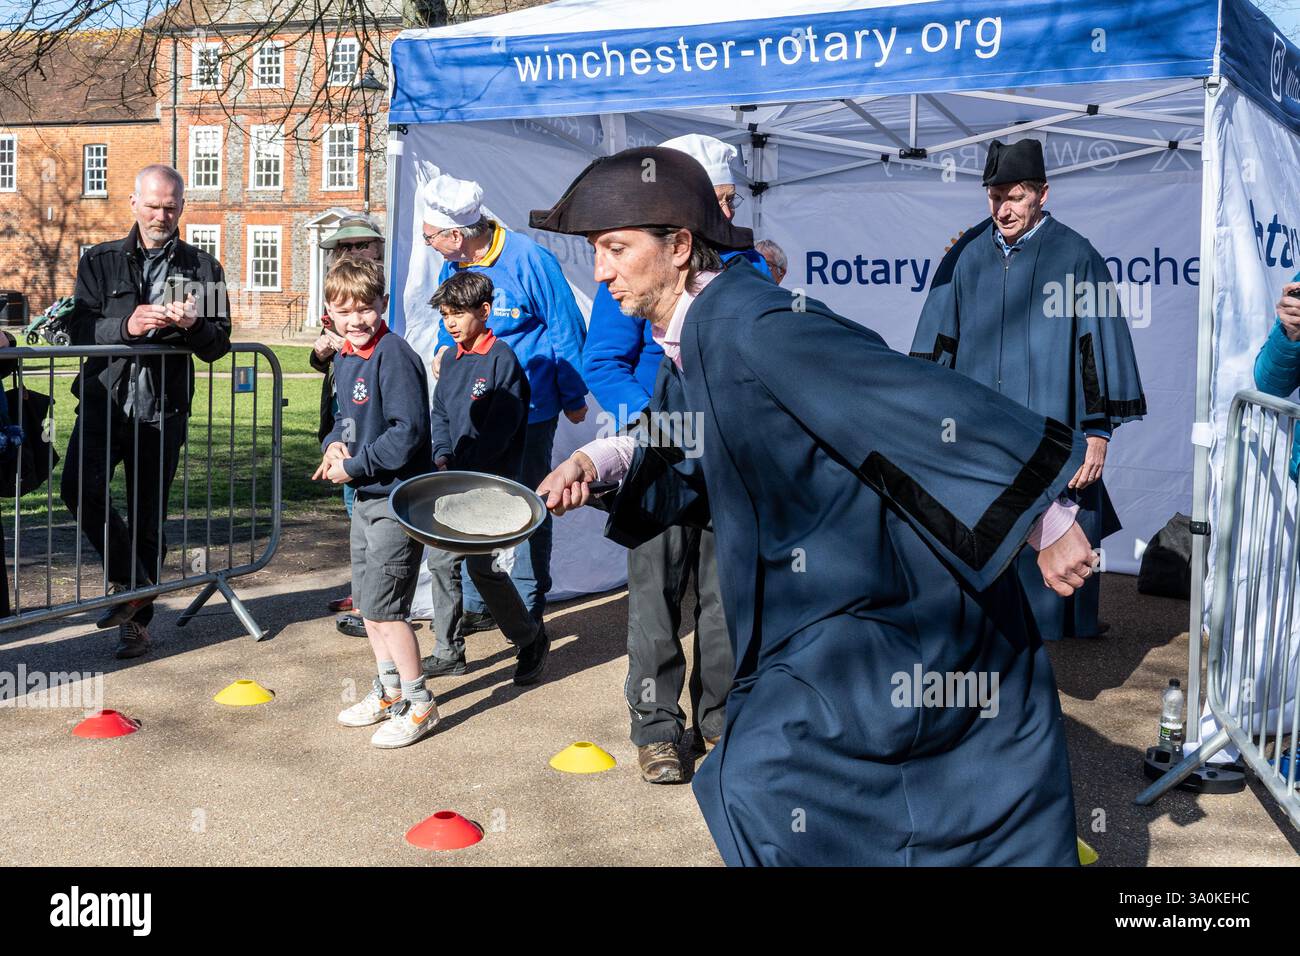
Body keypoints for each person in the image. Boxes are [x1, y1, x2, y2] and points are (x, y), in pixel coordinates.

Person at [534, 146, 1097, 865]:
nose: (602, 272)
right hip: (821, 598)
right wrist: (600, 459)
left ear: (679, 247)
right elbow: (681, 431)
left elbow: (904, 396)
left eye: (616, 249)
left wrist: (1048, 520)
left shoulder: (753, 322)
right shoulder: (698, 333)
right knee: (779, 784)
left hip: (885, 599)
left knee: (758, 778)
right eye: (595, 252)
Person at [580, 132, 768, 783]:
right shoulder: (644, 270)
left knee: (723, 596)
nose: (722, 211)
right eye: (711, 199)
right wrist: (657, 432)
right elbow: (602, 359)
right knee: (656, 595)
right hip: (657, 455)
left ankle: (719, 719)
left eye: (728, 198)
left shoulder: (752, 271)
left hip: (729, 462)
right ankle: (658, 728)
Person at [911, 138, 1145, 641]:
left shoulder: (1076, 256)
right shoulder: (964, 256)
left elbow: (1095, 348)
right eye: (994, 197)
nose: (1003, 208)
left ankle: (1062, 629)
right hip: (979, 430)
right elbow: (937, 342)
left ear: (1042, 193)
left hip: (1051, 424)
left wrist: (1098, 433)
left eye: (1014, 196)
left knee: (1059, 528)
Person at [63, 164, 231, 659]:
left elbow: (219, 344)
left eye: (171, 206)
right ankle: (133, 582)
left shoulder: (204, 268)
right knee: (78, 488)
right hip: (104, 400)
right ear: (133, 202)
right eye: (154, 205)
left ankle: (135, 623)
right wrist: (128, 326)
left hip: (163, 409)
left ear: (182, 207)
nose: (162, 214)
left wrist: (197, 325)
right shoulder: (99, 260)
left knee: (147, 516)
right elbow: (78, 329)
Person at [423, 173, 588, 634]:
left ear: (457, 235)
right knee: (477, 501)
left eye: (431, 236)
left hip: (530, 407)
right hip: (473, 410)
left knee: (530, 501)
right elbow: (446, 312)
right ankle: (481, 603)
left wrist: (573, 394)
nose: (428, 243)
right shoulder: (453, 263)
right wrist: (443, 347)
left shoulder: (529, 258)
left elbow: (565, 325)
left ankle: (529, 600)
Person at [318, 256, 437, 748]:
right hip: (364, 498)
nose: (357, 319)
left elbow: (407, 434)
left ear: (383, 305)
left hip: (396, 499)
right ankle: (389, 692)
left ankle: (420, 701)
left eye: (366, 308)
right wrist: (333, 445)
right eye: (345, 311)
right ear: (329, 312)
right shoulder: (344, 356)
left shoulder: (395, 355)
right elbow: (342, 418)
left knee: (389, 609)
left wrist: (356, 465)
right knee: (368, 605)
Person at [422, 271, 550, 685]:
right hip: (453, 480)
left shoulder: (503, 361)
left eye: (458, 313)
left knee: (482, 571)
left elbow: (503, 429)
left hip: (486, 485)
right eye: (445, 315)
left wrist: (465, 464)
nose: (451, 323)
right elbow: (439, 412)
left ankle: (530, 639)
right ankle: (448, 651)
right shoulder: (452, 359)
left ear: (485, 310)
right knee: (441, 562)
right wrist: (442, 455)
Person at [309, 216, 386, 628]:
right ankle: (363, 591)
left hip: (372, 419)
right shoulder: (337, 288)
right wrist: (324, 350)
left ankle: (374, 602)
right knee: (353, 512)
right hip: (342, 416)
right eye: (344, 247)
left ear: (378, 248)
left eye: (360, 245)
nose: (352, 252)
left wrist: (354, 346)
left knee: (371, 516)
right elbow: (324, 357)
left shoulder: (379, 295)